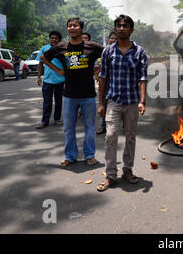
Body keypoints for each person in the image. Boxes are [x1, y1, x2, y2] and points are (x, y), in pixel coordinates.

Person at [41, 17, 104, 167]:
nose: (72, 28)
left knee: (90, 128)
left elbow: (109, 54)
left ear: (81, 29)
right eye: (69, 26)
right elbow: (44, 57)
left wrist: (99, 69)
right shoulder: (61, 47)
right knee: (69, 129)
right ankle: (70, 156)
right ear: (67, 29)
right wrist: (58, 70)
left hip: (88, 95)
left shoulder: (92, 47)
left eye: (75, 25)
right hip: (68, 95)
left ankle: (90, 155)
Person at [96, 15, 148, 192]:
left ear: (131, 30)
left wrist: (142, 101)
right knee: (110, 136)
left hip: (133, 101)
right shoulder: (108, 51)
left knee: (130, 136)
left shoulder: (139, 51)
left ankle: (128, 170)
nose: (121, 28)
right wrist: (101, 103)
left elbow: (143, 78)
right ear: (115, 28)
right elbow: (102, 77)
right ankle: (111, 175)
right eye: (118, 25)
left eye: (125, 26)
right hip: (114, 101)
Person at [36, 31, 66, 129]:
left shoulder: (62, 50)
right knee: (47, 101)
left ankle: (57, 119)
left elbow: (67, 64)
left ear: (59, 40)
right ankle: (44, 121)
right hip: (48, 80)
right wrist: (39, 76)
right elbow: (40, 63)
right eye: (52, 38)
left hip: (60, 80)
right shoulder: (44, 48)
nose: (53, 40)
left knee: (58, 100)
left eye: (56, 38)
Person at [96, 32, 118, 135]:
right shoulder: (106, 51)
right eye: (111, 38)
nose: (113, 40)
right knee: (104, 106)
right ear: (109, 40)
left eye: (115, 38)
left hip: (118, 86)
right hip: (106, 84)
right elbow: (102, 71)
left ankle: (124, 125)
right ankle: (103, 126)